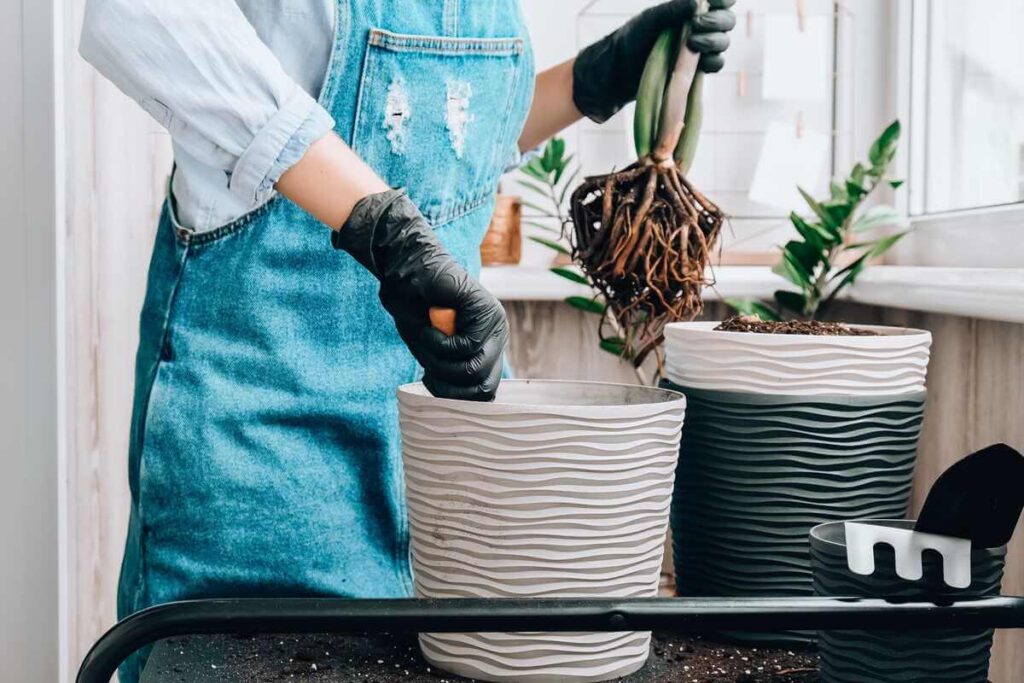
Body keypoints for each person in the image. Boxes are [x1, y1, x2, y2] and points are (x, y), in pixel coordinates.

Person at [79, 1, 735, 679]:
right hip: (267, 475)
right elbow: (137, 15)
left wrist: (590, 82)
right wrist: (382, 228)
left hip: (452, 487)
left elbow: (443, 141)